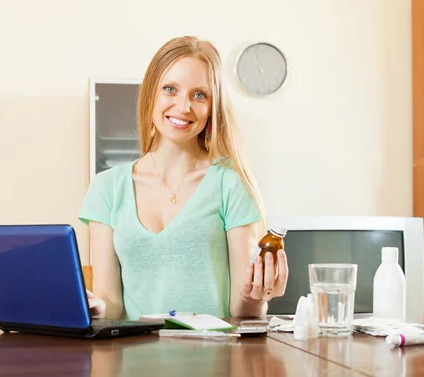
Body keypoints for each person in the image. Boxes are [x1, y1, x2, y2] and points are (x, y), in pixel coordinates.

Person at [78, 36, 289, 320]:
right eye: (170, 89)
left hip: (212, 359)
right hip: (134, 361)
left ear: (212, 107)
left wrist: (255, 298)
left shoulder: (230, 184)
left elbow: (241, 310)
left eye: (199, 95)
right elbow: (111, 303)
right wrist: (97, 307)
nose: (184, 106)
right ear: (151, 93)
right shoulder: (106, 188)